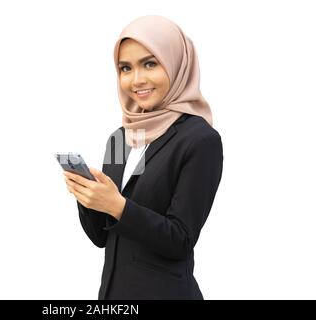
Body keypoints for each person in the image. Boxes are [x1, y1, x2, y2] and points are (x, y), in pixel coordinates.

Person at [63, 15, 223, 300]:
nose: (136, 80)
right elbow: (101, 238)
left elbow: (181, 240)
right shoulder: (119, 138)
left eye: (150, 63)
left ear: (176, 63)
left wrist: (118, 206)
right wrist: (88, 198)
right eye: (126, 68)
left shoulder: (201, 140)